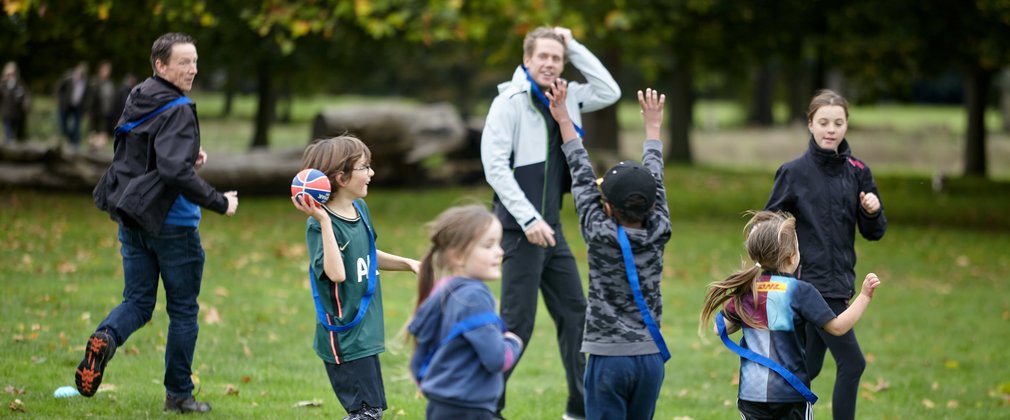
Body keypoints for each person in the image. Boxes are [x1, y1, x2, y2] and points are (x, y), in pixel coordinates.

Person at [77, 32, 239, 413]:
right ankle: (179, 394)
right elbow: (171, 170)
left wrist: (185, 157)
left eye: (195, 61)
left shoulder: (139, 95)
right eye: (184, 62)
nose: (193, 69)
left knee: (137, 300)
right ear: (161, 65)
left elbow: (140, 151)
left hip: (132, 216)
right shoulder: (180, 108)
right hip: (174, 224)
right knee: (183, 309)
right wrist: (219, 202)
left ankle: (105, 337)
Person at [480, 25, 620, 420]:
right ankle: (486, 408)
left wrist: (573, 45)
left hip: (551, 229)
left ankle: (580, 409)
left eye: (556, 57)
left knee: (577, 316)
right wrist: (527, 219)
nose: (549, 63)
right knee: (516, 325)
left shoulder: (569, 96)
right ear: (526, 60)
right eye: (542, 56)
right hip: (517, 230)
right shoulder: (509, 102)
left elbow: (610, 91)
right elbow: (494, 167)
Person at [549, 82, 671, 419]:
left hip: (608, 358)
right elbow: (656, 176)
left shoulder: (598, 232)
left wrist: (563, 120)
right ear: (652, 203)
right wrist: (653, 128)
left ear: (609, 207)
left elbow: (581, 174)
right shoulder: (660, 228)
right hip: (650, 358)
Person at [764, 89, 887, 420]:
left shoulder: (858, 171)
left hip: (840, 282)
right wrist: (781, 261)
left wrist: (872, 211)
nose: (831, 129)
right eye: (823, 122)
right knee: (853, 363)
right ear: (810, 124)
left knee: (809, 366)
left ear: (847, 124)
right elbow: (767, 225)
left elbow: (874, 232)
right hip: (810, 284)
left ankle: (768, 410)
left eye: (838, 122)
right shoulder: (793, 172)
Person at [699, 211, 881, 420]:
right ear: (792, 257)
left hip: (751, 394)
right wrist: (865, 296)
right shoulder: (800, 291)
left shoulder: (749, 291)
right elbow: (838, 327)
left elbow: (719, 328)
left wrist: (748, 317)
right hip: (789, 395)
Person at [292, 135, 420, 420]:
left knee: (370, 412)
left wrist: (409, 263)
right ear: (341, 177)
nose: (371, 173)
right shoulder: (319, 226)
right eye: (365, 167)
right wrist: (324, 221)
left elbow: (368, 253)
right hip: (345, 336)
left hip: (366, 331)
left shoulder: (359, 210)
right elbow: (336, 273)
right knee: (366, 413)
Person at [408, 205, 525, 419]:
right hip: (470, 408)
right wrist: (513, 343)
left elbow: (419, 354)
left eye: (498, 244)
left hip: (440, 405)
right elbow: (497, 359)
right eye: (489, 245)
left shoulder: (444, 290)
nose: (500, 251)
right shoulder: (474, 297)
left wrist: (434, 386)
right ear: (458, 256)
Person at [56, 61, 89, 149]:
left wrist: (85, 108)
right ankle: (70, 137)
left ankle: (75, 145)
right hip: (66, 105)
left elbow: (86, 96)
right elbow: (59, 88)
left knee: (77, 126)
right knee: (63, 124)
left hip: (78, 106)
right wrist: (60, 100)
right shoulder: (68, 77)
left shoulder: (85, 81)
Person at [87, 61, 118, 149]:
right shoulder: (94, 82)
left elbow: (112, 98)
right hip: (95, 112)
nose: (107, 72)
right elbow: (90, 98)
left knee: (103, 133)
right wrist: (89, 110)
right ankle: (92, 150)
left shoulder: (110, 83)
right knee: (93, 133)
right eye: (105, 70)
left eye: (108, 70)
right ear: (100, 70)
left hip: (106, 113)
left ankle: (99, 151)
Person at [1, 61, 30, 143]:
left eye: (12, 73)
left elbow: (24, 96)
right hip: (6, 113)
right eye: (8, 74)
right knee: (8, 134)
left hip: (17, 114)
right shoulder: (3, 84)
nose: (10, 76)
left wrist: (25, 105)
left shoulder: (19, 84)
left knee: (16, 135)